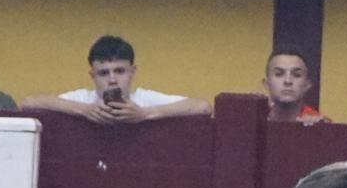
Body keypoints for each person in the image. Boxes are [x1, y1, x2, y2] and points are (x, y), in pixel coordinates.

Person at [21, 35, 211, 124]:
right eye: (104, 73)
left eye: (119, 71)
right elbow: (28, 103)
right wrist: (85, 111)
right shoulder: (84, 99)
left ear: (132, 72)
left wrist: (144, 114)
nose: (112, 80)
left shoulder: (144, 99)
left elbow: (202, 107)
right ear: (93, 76)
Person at [264, 48, 327, 123]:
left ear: (307, 84)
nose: (288, 81)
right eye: (279, 74)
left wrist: (318, 131)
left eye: (297, 75)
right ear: (266, 84)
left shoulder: (322, 125)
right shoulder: (252, 121)